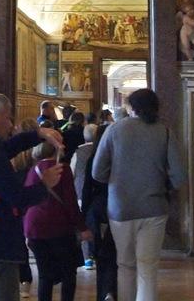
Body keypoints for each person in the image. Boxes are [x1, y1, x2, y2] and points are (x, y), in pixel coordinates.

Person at [0, 93, 65, 301]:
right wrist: (44, 184)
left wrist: (39, 134)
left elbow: (7, 149)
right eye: (7, 118)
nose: (10, 124)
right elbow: (17, 197)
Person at [92, 89, 186, 301]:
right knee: (148, 268)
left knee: (125, 265)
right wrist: (163, 185)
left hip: (121, 207)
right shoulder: (164, 131)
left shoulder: (114, 129)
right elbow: (179, 176)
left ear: (132, 107)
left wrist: (116, 180)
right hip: (154, 207)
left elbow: (97, 172)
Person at [23, 141, 90, 301]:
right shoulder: (62, 169)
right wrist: (82, 227)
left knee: (44, 274)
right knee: (68, 272)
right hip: (58, 226)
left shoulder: (33, 170)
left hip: (34, 227)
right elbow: (70, 201)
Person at [80, 122, 117, 301]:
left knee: (101, 255)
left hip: (98, 209)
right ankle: (111, 291)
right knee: (114, 253)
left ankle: (103, 293)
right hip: (117, 207)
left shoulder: (92, 159)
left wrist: (83, 217)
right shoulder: (118, 158)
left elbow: (87, 190)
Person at [70, 124, 98, 269]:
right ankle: (98, 253)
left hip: (80, 192)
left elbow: (72, 172)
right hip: (98, 194)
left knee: (83, 223)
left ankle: (87, 258)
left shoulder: (78, 152)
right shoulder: (101, 149)